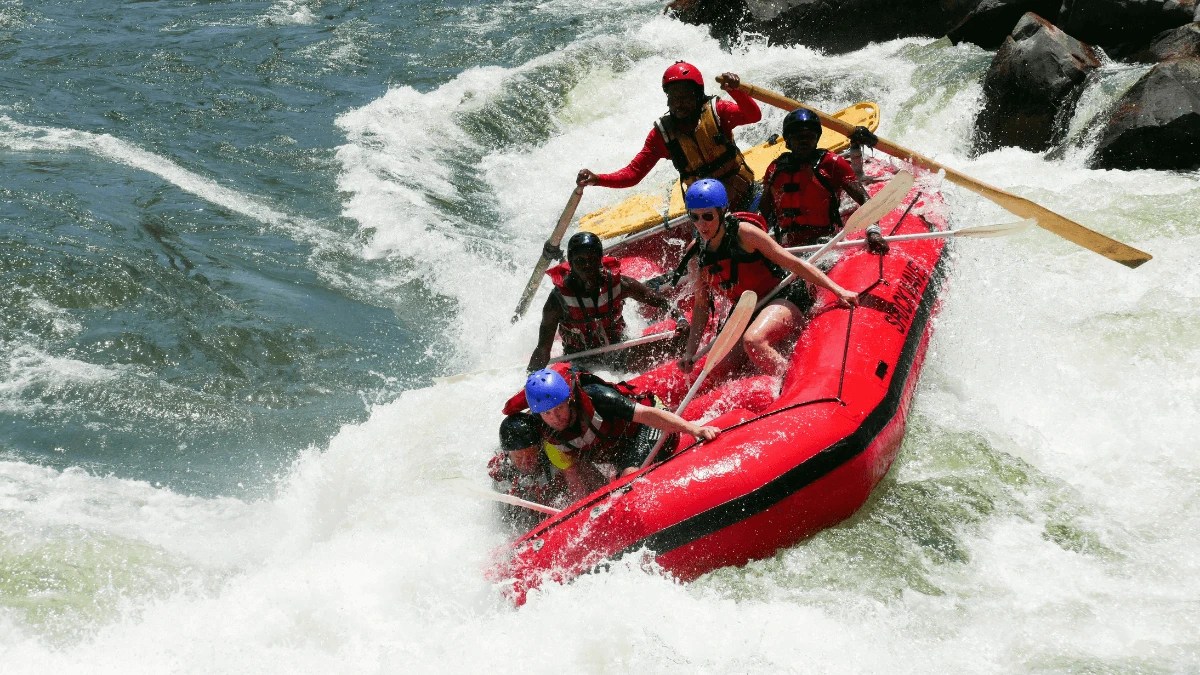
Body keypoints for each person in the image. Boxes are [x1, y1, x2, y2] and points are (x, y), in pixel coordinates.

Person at [677, 179, 860, 377]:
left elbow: (794, 264)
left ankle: (792, 382)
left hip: (783, 294)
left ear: (722, 211)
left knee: (753, 341)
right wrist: (690, 352)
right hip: (747, 309)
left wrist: (838, 290)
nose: (701, 224)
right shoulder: (695, 254)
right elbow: (702, 305)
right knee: (717, 370)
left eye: (707, 216)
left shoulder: (746, 234)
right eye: (694, 217)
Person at [503, 365, 721, 499]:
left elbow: (647, 414)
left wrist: (695, 429)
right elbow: (575, 480)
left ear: (569, 399)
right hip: (622, 446)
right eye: (547, 414)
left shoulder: (596, 397)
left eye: (559, 408)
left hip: (652, 427)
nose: (555, 418)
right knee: (611, 489)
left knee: (628, 479)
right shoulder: (545, 430)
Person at [576, 62, 761, 210]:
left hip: (744, 195)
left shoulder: (719, 111)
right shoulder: (661, 135)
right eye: (673, 98)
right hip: (707, 213)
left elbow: (754, 116)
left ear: (697, 95)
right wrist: (598, 179)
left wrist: (736, 92)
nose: (678, 104)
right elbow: (633, 174)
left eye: (684, 97)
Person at [527, 231, 688, 372]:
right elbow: (543, 349)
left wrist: (680, 319)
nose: (587, 266)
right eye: (580, 261)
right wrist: (530, 383)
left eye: (592, 259)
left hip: (618, 349)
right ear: (570, 262)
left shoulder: (620, 285)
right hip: (579, 360)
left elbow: (663, 302)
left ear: (600, 259)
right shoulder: (557, 301)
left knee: (678, 344)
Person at [759, 107, 890, 253]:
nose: (804, 141)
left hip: (826, 242)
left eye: (809, 136)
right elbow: (763, 212)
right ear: (788, 141)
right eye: (798, 137)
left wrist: (873, 231)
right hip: (788, 245)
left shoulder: (831, 163)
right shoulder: (775, 169)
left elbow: (865, 200)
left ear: (817, 138)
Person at [488, 413, 568, 510]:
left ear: (540, 448)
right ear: (507, 454)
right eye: (518, 458)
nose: (526, 463)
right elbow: (503, 513)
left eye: (531, 455)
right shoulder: (499, 469)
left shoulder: (555, 455)